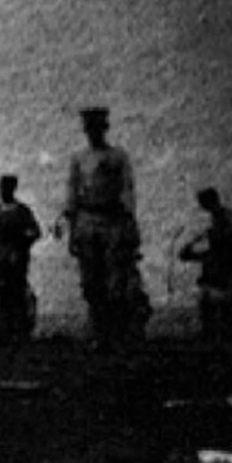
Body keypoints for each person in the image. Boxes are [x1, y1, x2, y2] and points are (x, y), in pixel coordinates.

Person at [58, 106, 147, 352]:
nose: (93, 133)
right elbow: (72, 194)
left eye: (97, 128)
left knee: (115, 280)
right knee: (90, 281)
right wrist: (73, 228)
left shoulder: (118, 157)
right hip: (87, 220)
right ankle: (99, 334)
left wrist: (129, 223)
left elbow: (127, 191)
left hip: (112, 220)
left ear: (104, 128)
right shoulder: (79, 159)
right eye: (89, 128)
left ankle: (118, 334)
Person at [179, 187, 232, 353]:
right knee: (214, 315)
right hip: (218, 276)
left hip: (226, 276)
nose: (202, 207)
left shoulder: (227, 220)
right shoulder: (219, 220)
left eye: (203, 203)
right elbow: (217, 251)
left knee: (228, 318)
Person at [0, 174, 42, 346]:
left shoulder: (22, 211)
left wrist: (22, 242)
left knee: (17, 296)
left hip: (17, 261)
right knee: (0, 297)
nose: (3, 191)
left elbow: (35, 232)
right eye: (2, 187)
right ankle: (1, 334)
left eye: (7, 187)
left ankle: (19, 333)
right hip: (0, 262)